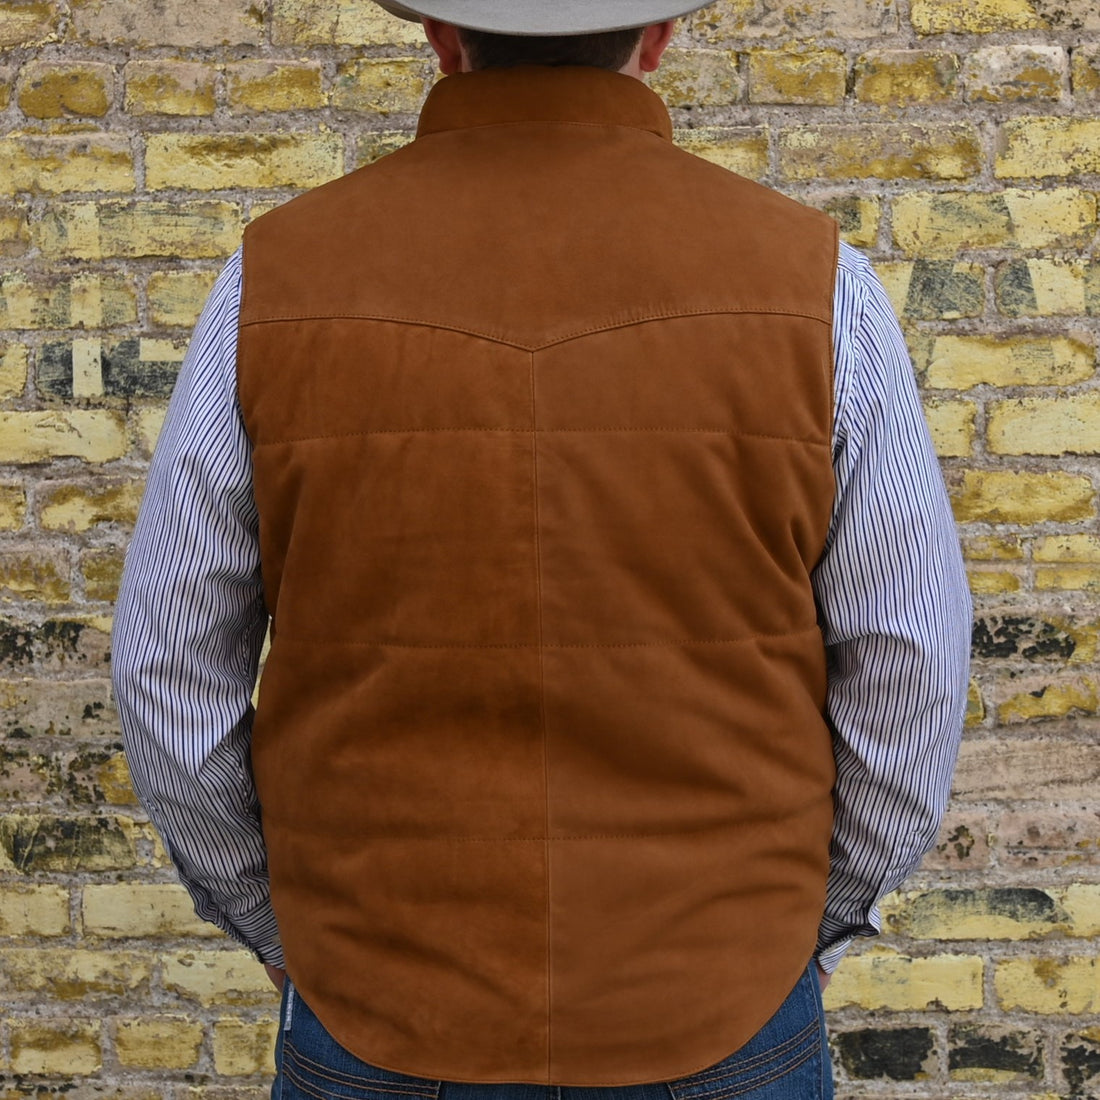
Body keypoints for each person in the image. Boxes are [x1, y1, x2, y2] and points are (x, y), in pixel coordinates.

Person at [111, 3, 973, 1098]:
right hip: (718, 1000)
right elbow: (910, 665)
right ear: (657, 36)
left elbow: (165, 669)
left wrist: (280, 922)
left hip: (381, 1000)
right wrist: (802, 925)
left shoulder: (271, 283)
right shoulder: (818, 288)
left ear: (437, 35)